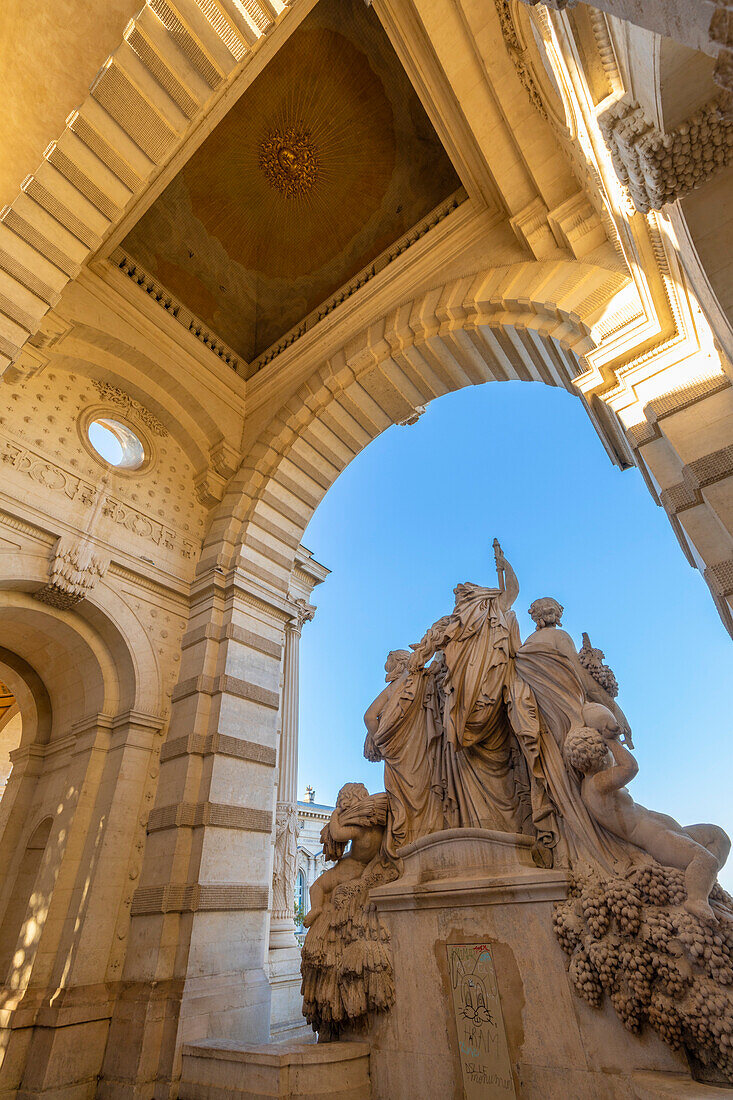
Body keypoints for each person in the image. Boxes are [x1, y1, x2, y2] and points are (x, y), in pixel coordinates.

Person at [565, 704, 731, 924]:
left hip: (668, 829)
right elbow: (630, 768)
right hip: (656, 840)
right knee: (705, 859)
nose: (611, 756)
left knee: (717, 836)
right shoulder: (596, 784)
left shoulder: (599, 783)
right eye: (605, 751)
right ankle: (696, 899)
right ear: (598, 755)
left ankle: (701, 881)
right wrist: (612, 742)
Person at [303, 783, 387, 927]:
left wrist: (335, 814)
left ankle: (316, 908)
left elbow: (337, 834)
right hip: (366, 866)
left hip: (350, 867)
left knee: (317, 887)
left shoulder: (359, 827)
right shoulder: (378, 826)